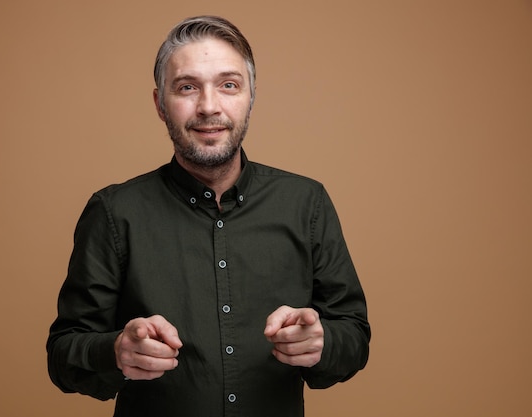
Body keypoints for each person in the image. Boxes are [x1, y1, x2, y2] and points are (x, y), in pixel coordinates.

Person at [47, 15, 370, 417]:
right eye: (187, 87)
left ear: (251, 97)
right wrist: (114, 352)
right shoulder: (113, 212)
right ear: (160, 104)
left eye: (228, 85)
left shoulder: (308, 203)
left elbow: (354, 335)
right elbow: (63, 354)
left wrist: (323, 342)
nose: (209, 106)